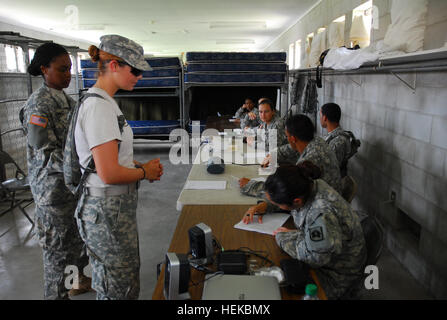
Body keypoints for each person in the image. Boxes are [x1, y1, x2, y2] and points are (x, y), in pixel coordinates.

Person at [73, 34, 163, 300]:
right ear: (114, 65)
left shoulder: (103, 102)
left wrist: (137, 165)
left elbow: (107, 159)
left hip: (111, 210)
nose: (140, 76)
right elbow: (109, 173)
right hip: (106, 211)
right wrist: (144, 172)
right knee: (119, 288)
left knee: (119, 281)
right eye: (134, 70)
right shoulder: (99, 108)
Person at [20, 42, 92, 299]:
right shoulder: (38, 105)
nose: (67, 74)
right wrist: (87, 162)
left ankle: (77, 282)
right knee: (58, 253)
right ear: (44, 69)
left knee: (75, 243)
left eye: (69, 69)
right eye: (62, 69)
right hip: (53, 194)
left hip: (71, 187)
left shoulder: (66, 99)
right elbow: (46, 153)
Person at [242, 163, 367, 300]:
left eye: (278, 204)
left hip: (335, 276)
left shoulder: (321, 214)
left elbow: (314, 259)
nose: (278, 205)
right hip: (327, 255)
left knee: (274, 287)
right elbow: (288, 199)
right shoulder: (309, 185)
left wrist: (283, 238)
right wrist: (265, 206)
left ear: (296, 201)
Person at [241, 114, 342, 197]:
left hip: (323, 204)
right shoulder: (316, 141)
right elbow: (289, 148)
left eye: (287, 136)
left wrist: (252, 186)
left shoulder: (309, 160)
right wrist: (273, 155)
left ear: (293, 139)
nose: (287, 139)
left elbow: (287, 192)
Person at [320, 103, 353, 178]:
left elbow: (332, 170)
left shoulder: (338, 141)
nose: (320, 118)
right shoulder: (333, 136)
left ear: (324, 118)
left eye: (320, 115)